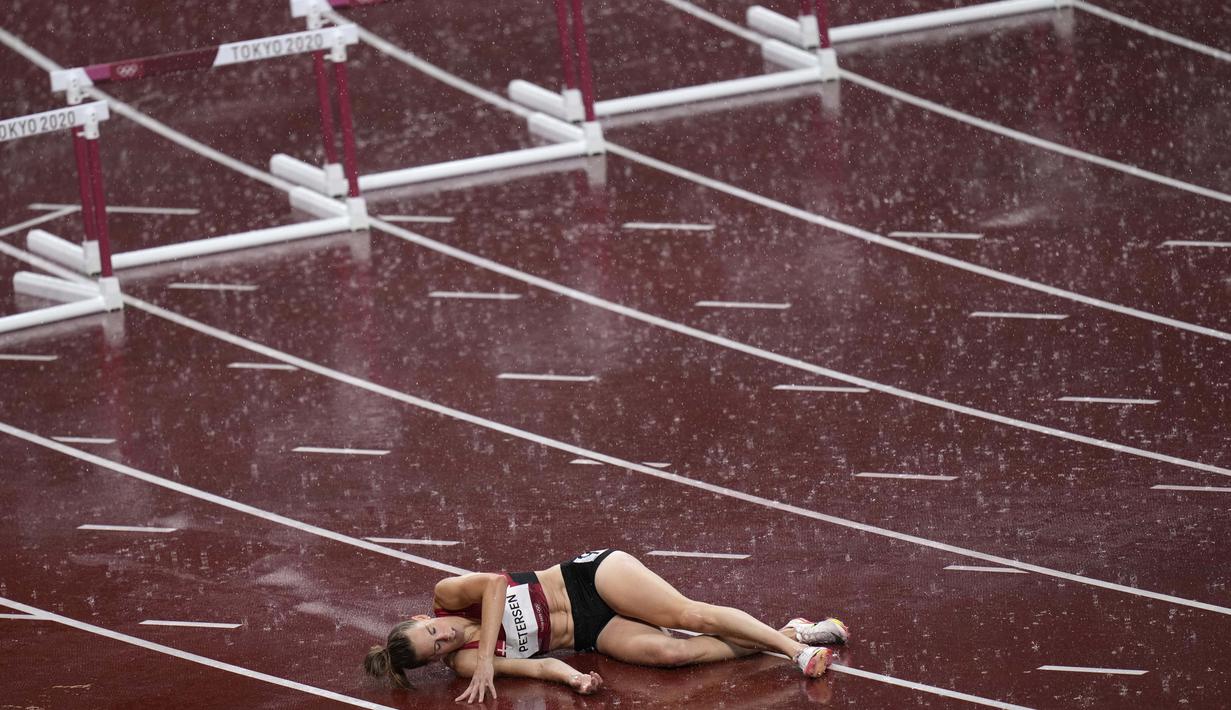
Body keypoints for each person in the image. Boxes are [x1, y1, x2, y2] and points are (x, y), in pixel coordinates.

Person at [363, 549, 849, 702]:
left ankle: (797, 656)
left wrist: (488, 653)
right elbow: (539, 671)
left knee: (686, 615)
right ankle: (791, 634)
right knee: (671, 655)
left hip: (590, 580)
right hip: (591, 632)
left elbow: (493, 583)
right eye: (436, 650)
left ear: (424, 619)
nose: (443, 638)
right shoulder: (470, 663)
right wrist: (574, 678)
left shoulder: (448, 596)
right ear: (439, 660)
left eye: (432, 632)